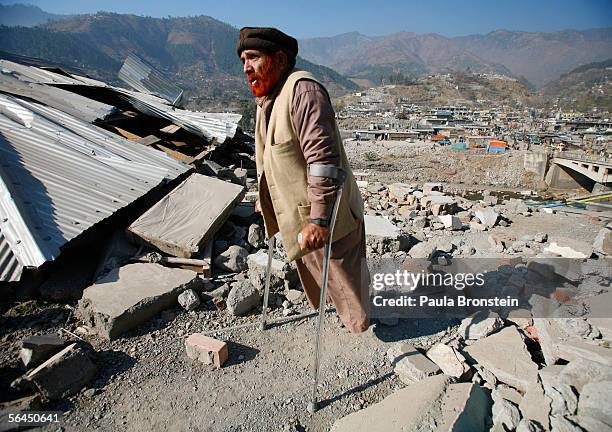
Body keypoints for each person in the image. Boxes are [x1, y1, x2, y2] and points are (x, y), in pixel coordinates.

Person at [236, 27, 370, 333]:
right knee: (324, 277)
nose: (246, 66)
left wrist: (320, 221)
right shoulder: (268, 97)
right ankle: (344, 317)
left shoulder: (303, 92)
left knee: (347, 286)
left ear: (280, 59)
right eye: (243, 59)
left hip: (326, 216)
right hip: (301, 216)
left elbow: (323, 163)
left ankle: (362, 334)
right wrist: (264, 196)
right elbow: (272, 157)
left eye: (253, 57)